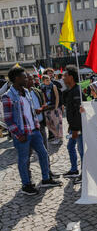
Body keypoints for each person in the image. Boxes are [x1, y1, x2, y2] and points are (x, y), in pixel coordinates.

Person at [2, 66, 62, 195]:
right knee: (24, 159)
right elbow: (8, 120)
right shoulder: (8, 96)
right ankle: (26, 185)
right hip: (22, 134)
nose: (27, 79)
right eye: (24, 77)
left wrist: (36, 125)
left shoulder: (26, 92)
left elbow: (29, 112)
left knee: (43, 154)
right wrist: (18, 134)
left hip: (34, 131)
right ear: (17, 78)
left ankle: (46, 179)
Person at [25, 73, 58, 179]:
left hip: (41, 125)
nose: (33, 81)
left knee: (45, 150)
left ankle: (48, 172)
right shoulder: (21, 94)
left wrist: (43, 108)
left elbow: (43, 103)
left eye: (32, 79)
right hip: (28, 128)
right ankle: (27, 178)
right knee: (27, 155)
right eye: (29, 79)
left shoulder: (37, 91)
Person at [62, 65, 84, 183]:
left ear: (71, 77)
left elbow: (79, 114)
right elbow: (70, 112)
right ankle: (74, 169)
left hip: (79, 128)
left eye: (65, 76)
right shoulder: (69, 91)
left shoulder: (78, 91)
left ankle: (84, 174)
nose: (63, 78)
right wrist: (71, 126)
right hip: (73, 128)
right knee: (70, 147)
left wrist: (75, 130)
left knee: (81, 150)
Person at [41, 75, 64, 145]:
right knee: (49, 124)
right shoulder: (43, 87)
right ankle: (56, 136)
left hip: (55, 107)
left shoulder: (53, 86)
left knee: (57, 123)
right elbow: (44, 98)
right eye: (47, 80)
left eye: (49, 79)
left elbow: (57, 97)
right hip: (48, 108)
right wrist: (45, 105)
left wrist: (56, 107)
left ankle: (59, 137)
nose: (48, 81)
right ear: (43, 81)